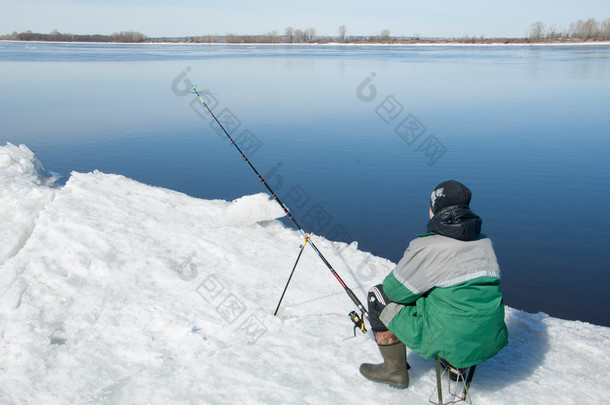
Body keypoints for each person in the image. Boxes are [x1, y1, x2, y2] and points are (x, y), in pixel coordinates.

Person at [360, 180, 508, 389]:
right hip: (490, 338)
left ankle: (394, 371)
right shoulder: (484, 242)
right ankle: (456, 368)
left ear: (434, 210)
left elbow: (394, 291)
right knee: (454, 297)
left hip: (450, 339)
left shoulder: (427, 247)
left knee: (379, 296)